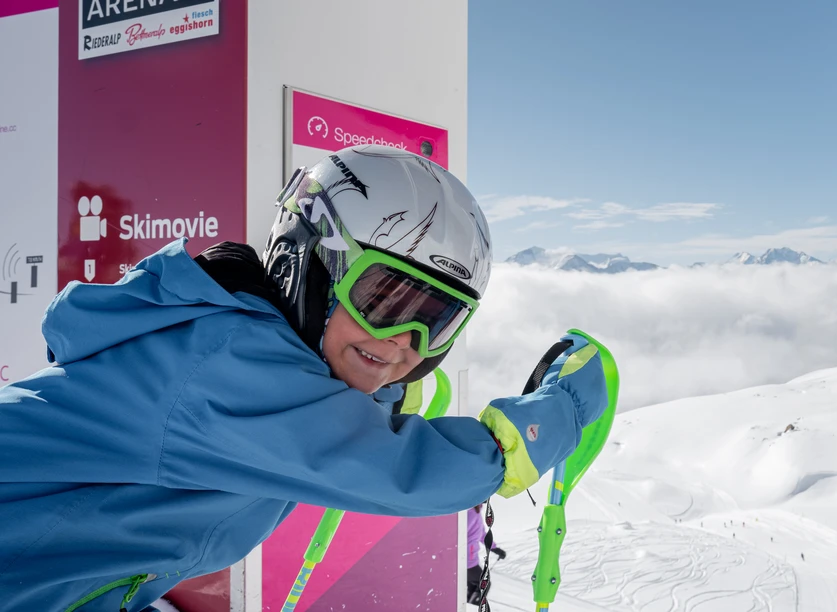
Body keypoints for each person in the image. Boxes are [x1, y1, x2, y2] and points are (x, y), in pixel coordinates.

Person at [0, 145, 609, 612]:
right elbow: (407, 476)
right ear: (305, 264)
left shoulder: (251, 354)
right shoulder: (223, 367)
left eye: (436, 320)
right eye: (386, 299)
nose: (406, 342)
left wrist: (384, 391)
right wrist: (557, 415)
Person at [465, 502, 506, 605]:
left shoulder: (475, 512)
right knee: (484, 583)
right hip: (465, 558)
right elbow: (459, 532)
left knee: (474, 586)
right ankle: (473, 607)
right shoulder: (470, 512)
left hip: (469, 558)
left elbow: (482, 535)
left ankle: (469, 605)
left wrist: (495, 549)